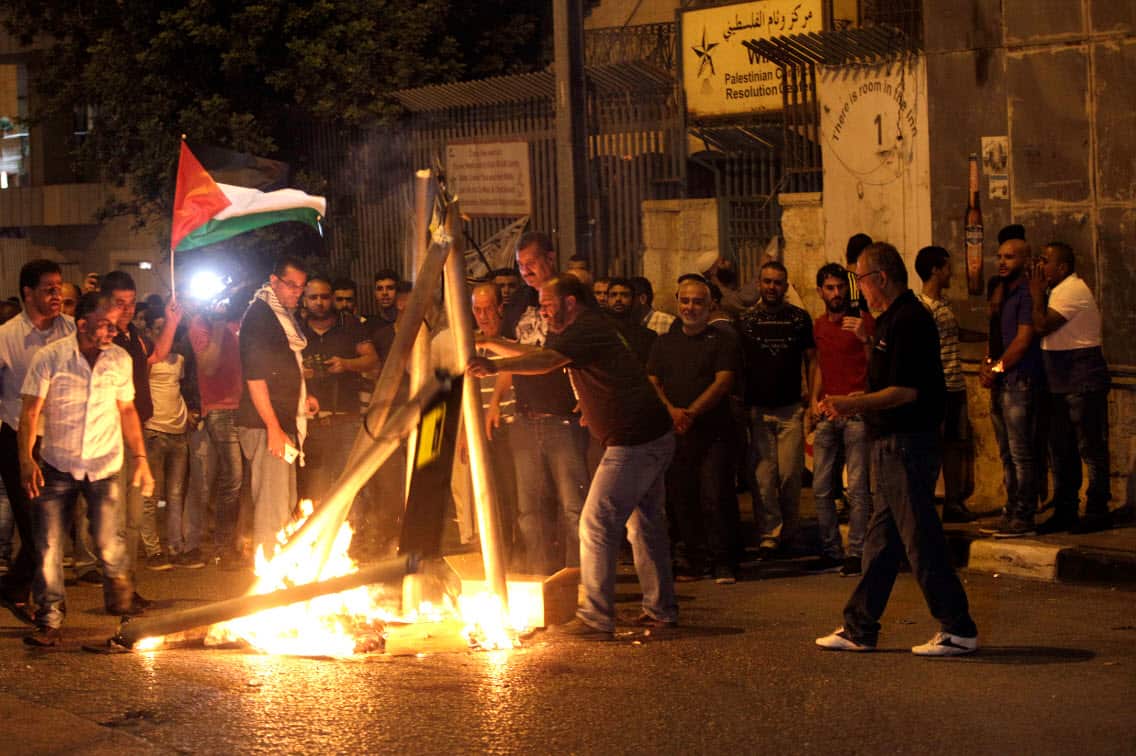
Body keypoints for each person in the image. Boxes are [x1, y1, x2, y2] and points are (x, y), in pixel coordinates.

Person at [469, 275, 677, 640]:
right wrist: (490, 343)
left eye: (548, 304)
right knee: (643, 525)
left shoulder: (586, 329)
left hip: (634, 441)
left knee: (595, 522)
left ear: (570, 302)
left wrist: (494, 365)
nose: (543, 311)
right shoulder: (584, 330)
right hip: (648, 435)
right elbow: (536, 353)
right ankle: (661, 610)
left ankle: (597, 617)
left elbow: (546, 360)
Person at [815, 242, 978, 657]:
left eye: (861, 280)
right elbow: (886, 382)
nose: (860, 290)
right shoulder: (889, 321)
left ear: (880, 278)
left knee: (920, 538)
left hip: (906, 443)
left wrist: (852, 403)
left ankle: (957, 626)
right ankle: (860, 626)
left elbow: (906, 391)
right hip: (890, 443)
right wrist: (854, 396)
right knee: (882, 541)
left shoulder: (908, 320)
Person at [19, 292, 155, 646]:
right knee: (49, 546)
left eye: (116, 324)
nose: (113, 331)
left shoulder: (120, 359)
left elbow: (127, 410)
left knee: (110, 542)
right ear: (83, 324)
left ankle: (121, 610)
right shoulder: (50, 357)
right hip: (58, 464)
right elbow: (31, 412)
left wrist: (141, 458)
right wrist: (26, 459)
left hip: (104, 465)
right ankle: (49, 619)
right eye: (106, 324)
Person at [480, 232, 590, 574]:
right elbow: (515, 354)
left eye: (532, 263)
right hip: (526, 419)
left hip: (564, 418)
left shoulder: (572, 300)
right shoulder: (517, 304)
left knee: (573, 506)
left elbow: (572, 356)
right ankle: (542, 578)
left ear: (550, 259)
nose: (526, 272)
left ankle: (581, 580)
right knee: (529, 509)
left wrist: (589, 398)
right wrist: (497, 400)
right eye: (521, 266)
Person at [647, 276, 740, 584]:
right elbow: (653, 381)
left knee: (715, 494)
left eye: (698, 302)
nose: (690, 307)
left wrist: (691, 412)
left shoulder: (722, 339)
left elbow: (723, 381)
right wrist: (672, 412)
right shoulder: (664, 342)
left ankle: (723, 561)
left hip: (714, 432)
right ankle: (691, 558)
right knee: (681, 496)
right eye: (685, 301)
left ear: (710, 305)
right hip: (677, 431)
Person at [0, 260, 75, 623]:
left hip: (64, 440)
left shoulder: (72, 331)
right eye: (48, 288)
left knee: (55, 524)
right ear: (28, 293)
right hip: (19, 439)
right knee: (34, 526)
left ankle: (14, 588)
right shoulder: (7, 337)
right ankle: (48, 602)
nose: (56, 294)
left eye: (59, 286)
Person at [102, 271, 182, 578]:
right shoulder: (102, 340)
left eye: (132, 303)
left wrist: (172, 320)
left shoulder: (132, 337)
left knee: (135, 511)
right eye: (120, 303)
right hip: (112, 434)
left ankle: (128, 579)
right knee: (118, 512)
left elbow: (157, 354)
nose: (127, 309)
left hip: (139, 431)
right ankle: (114, 579)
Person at [237, 257, 319, 558]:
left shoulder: (279, 315)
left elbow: (285, 369)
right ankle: (269, 572)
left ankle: (280, 567)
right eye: (291, 285)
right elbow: (255, 378)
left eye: (301, 286)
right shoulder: (260, 317)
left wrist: (303, 397)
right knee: (273, 504)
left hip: (281, 421)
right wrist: (272, 426)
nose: (297, 292)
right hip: (266, 425)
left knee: (284, 501)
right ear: (274, 281)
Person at [1030, 242, 1113, 534]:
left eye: (1045, 261)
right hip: (1060, 381)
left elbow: (1041, 325)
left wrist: (1036, 293)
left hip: (1081, 379)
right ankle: (1065, 508)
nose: (1040, 266)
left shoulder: (1071, 290)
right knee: (1061, 449)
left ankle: (1096, 508)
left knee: (1089, 446)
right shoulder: (1057, 291)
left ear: (1062, 267)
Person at [736, 260, 816, 558]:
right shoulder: (746, 320)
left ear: (786, 285)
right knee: (763, 478)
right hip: (758, 410)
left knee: (790, 476)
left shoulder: (799, 319)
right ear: (759, 283)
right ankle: (770, 534)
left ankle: (791, 532)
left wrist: (811, 397)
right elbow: (740, 366)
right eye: (767, 281)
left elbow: (812, 359)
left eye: (778, 282)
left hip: (790, 409)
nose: (772, 287)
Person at [809, 263, 874, 576]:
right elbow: (821, 363)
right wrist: (813, 399)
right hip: (828, 412)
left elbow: (877, 365)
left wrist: (864, 338)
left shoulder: (862, 322)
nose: (836, 294)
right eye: (829, 288)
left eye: (839, 288)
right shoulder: (820, 325)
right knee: (821, 486)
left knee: (858, 488)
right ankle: (830, 549)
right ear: (821, 291)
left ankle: (858, 552)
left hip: (856, 414)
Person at [979, 239, 1044, 538]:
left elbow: (1022, 340)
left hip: (1018, 381)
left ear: (1025, 259)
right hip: (1001, 379)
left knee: (1021, 453)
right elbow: (995, 336)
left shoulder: (1026, 295)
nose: (1002, 262)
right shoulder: (1000, 292)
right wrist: (987, 364)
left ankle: (1024, 515)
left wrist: (997, 368)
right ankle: (1011, 508)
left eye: (1010, 257)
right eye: (1000, 256)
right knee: (1006, 452)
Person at [298, 276, 377, 507]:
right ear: (305, 300)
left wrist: (346, 364)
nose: (319, 302)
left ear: (332, 298)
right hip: (310, 421)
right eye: (313, 297)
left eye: (324, 297)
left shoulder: (349, 324)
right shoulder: (295, 328)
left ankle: (357, 535)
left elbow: (372, 359)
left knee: (350, 483)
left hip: (347, 417)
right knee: (315, 487)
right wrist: (299, 373)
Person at [914, 246, 977, 523]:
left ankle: (953, 501)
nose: (951, 272)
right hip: (937, 388)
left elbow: (956, 333)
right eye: (947, 267)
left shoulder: (944, 305)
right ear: (935, 270)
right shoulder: (923, 308)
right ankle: (926, 501)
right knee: (933, 445)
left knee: (954, 445)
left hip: (955, 385)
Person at [187, 291, 246, 567]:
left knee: (244, 479)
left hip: (248, 406)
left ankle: (240, 540)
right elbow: (209, 366)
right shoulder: (201, 324)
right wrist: (219, 325)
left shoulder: (242, 319)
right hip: (220, 409)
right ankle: (223, 546)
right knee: (231, 477)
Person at [143, 302, 199, 567]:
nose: (165, 334)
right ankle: (152, 549)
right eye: (159, 328)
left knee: (176, 493)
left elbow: (181, 390)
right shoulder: (146, 360)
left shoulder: (180, 360)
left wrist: (188, 414)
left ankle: (176, 546)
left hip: (178, 431)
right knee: (151, 494)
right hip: (154, 430)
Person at [603, 277, 656, 364]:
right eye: (613, 295)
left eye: (624, 295)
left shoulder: (647, 336)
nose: (618, 299)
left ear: (633, 299)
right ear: (607, 299)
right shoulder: (598, 331)